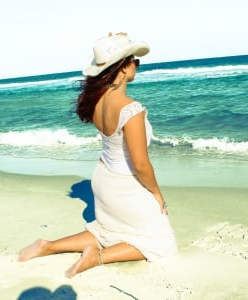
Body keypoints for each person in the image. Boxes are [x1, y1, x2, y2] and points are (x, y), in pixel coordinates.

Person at [18, 32, 178, 278]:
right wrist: (157, 194)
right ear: (122, 68)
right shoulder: (130, 109)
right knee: (163, 245)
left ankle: (48, 246)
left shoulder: (95, 102)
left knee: (108, 230)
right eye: (134, 60)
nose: (137, 65)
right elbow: (141, 163)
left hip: (104, 177)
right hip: (125, 184)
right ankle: (97, 257)